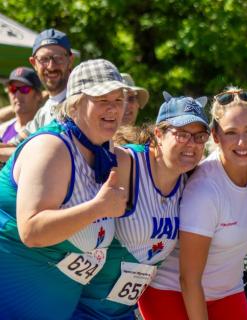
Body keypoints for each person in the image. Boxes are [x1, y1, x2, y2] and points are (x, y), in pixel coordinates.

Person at [0, 59, 130, 318]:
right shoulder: (52, 147)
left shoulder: (106, 152)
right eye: (102, 99)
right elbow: (32, 231)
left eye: (118, 99)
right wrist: (98, 208)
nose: (113, 108)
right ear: (75, 103)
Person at [138, 88, 247, 320]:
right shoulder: (204, 190)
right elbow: (189, 280)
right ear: (215, 137)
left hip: (227, 291)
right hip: (172, 290)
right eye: (231, 132)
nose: (242, 142)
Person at [73, 91, 210, 319]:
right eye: (182, 134)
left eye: (199, 137)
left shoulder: (190, 181)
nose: (192, 144)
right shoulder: (126, 163)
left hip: (122, 311)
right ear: (158, 133)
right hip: (78, 305)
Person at [0, 28, 74, 161]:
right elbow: (16, 142)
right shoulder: (45, 110)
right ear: (34, 63)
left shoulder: (79, 102)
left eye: (58, 58)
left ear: (70, 60)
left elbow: (50, 154)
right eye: (44, 59)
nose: (51, 66)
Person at [0, 67, 43, 143]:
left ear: (38, 95)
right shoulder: (2, 131)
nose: (17, 94)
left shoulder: (46, 128)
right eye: (12, 89)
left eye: (24, 89)